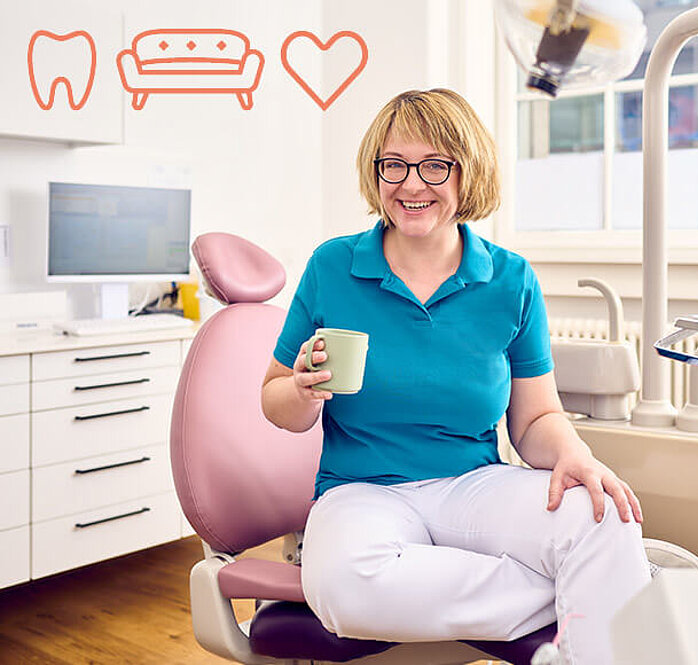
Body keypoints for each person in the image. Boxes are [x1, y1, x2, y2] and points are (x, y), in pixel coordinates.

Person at [261, 88, 650, 665]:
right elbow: (275, 403)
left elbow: (536, 418)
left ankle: (600, 595)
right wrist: (300, 391)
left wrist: (574, 453)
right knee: (343, 586)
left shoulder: (510, 279)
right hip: (361, 491)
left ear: (468, 173)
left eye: (435, 165)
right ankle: (604, 592)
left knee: (603, 517)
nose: (411, 184)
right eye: (393, 165)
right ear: (376, 173)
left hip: (474, 487)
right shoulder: (331, 267)